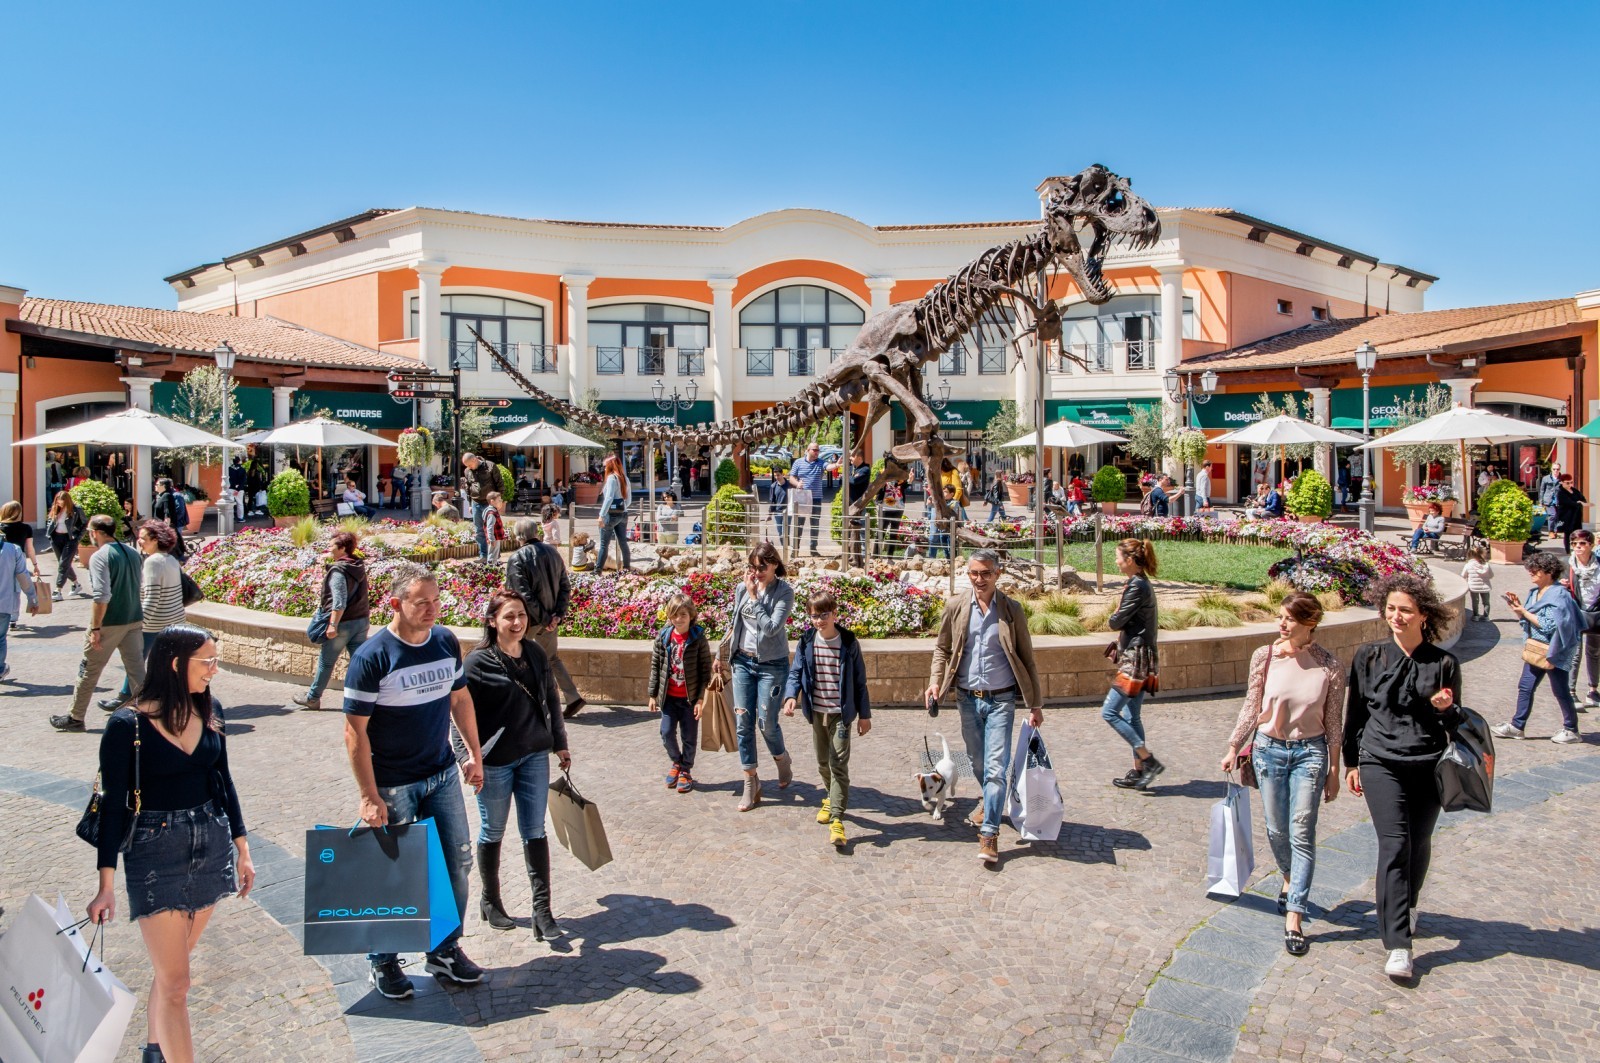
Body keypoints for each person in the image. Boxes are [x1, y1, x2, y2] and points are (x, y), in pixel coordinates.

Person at [86, 625, 253, 1063]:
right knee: (178, 983)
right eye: (207, 661)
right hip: (154, 851)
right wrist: (106, 885)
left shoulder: (211, 709)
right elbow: (113, 808)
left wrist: (242, 847)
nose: (214, 670)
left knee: (171, 971)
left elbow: (224, 781)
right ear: (176, 664)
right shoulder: (126, 726)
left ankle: (154, 1049)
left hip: (210, 844)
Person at [343, 563, 484, 998]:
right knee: (395, 872)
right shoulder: (373, 657)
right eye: (421, 602)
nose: (431, 609)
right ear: (395, 604)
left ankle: (443, 948)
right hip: (392, 783)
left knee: (457, 862)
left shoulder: (444, 642)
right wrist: (369, 795)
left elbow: (460, 699)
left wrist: (473, 754)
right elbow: (354, 732)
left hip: (440, 774)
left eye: (436, 600)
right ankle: (383, 959)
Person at [1343, 572, 1463, 981]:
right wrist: (1351, 762)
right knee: (1394, 845)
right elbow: (1355, 713)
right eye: (1391, 609)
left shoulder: (1444, 663)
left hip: (1429, 765)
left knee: (1419, 842)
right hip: (1381, 762)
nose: (1396, 616)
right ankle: (1398, 944)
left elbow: (1456, 724)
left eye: (1405, 610)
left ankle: (1407, 904)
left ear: (1423, 615)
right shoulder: (1368, 656)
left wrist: (1446, 708)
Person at [1220, 593, 1345, 956]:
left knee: (1302, 831)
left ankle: (1295, 916)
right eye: (1281, 617)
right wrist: (1233, 746)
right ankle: (1289, 878)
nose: (1282, 624)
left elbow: (1334, 723)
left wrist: (1334, 770)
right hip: (1268, 751)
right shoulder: (1265, 656)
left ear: (1310, 623)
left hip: (1310, 754)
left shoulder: (1330, 666)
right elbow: (1252, 704)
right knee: (1277, 829)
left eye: (1289, 618)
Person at [463, 590, 571, 939]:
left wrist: (560, 743)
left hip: (534, 755)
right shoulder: (477, 663)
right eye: (509, 616)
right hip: (495, 763)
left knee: (535, 831)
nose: (517, 622)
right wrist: (468, 758)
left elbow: (551, 699)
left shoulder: (535, 653)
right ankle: (491, 900)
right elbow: (457, 714)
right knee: (492, 830)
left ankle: (542, 911)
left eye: (521, 615)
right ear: (492, 621)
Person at [925, 549, 1041, 865]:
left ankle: (989, 833)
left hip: (1002, 699)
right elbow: (942, 649)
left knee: (995, 768)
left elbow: (1027, 658)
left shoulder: (1012, 610)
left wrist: (1035, 704)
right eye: (974, 573)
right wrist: (935, 682)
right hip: (967, 698)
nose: (979, 579)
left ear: (997, 574)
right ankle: (990, 801)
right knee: (977, 763)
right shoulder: (956, 606)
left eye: (986, 573)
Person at [782, 589, 871, 847]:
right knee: (823, 763)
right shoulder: (807, 641)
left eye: (824, 615)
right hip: (817, 712)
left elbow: (860, 682)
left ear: (834, 614)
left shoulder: (849, 642)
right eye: (814, 616)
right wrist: (791, 696)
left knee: (838, 764)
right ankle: (831, 798)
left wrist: (864, 715)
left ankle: (837, 819)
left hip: (841, 714)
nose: (819, 621)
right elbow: (796, 672)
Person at [715, 541, 795, 812]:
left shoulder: (784, 592)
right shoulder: (742, 588)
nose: (756, 572)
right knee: (743, 722)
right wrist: (720, 655)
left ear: (774, 565)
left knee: (766, 723)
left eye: (762, 567)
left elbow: (772, 628)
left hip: (772, 665)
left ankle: (781, 758)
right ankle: (751, 781)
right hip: (742, 662)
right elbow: (735, 624)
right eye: (752, 567)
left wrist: (753, 598)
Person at [51, 515, 146, 732]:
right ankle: (149, 715)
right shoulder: (132, 552)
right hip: (133, 618)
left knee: (89, 669)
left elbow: (101, 596)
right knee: (137, 670)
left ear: (96, 532)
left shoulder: (100, 556)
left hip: (110, 622)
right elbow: (139, 585)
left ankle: (76, 716)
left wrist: (95, 627)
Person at [1493, 551, 1584, 744]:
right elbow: (1528, 620)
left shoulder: (1559, 595)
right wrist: (1519, 610)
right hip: (1536, 648)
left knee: (1560, 690)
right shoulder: (1534, 593)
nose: (1531, 572)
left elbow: (1549, 625)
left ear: (1549, 572)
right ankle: (1517, 726)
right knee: (1525, 687)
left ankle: (1572, 729)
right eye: (1530, 568)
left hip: (1554, 650)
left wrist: (1524, 612)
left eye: (1535, 569)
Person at [504, 517, 585, 718]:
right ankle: (572, 697)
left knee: (515, 657)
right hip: (549, 617)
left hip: (529, 620)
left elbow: (522, 595)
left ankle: (522, 702)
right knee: (551, 658)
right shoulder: (553, 553)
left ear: (519, 536)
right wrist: (557, 615)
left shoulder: (517, 558)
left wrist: (547, 618)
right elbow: (565, 587)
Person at [1102, 538, 1165, 791]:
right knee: (1132, 715)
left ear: (1129, 560)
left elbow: (1115, 622)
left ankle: (1148, 761)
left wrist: (1113, 614)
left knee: (1109, 712)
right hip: (1143, 653)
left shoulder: (1136, 586)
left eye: (1118, 557)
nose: (1116, 561)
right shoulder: (1140, 582)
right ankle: (1139, 770)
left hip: (1136, 657)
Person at [292, 532, 369, 711]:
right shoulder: (357, 566)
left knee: (326, 663)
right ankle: (372, 697)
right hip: (361, 620)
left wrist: (332, 625)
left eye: (332, 545)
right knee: (361, 662)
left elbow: (339, 602)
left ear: (342, 548)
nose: (329, 547)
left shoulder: (339, 571)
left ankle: (312, 698)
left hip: (343, 624)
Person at [110, 520, 185, 706]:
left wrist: (139, 622)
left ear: (155, 540)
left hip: (154, 623)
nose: (139, 541)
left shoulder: (153, 562)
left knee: (135, 661)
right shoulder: (171, 559)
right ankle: (171, 697)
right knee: (167, 663)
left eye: (143, 538)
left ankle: (128, 696)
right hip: (174, 620)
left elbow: (152, 597)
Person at [648, 592, 712, 795]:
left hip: (689, 699)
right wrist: (652, 694)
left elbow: (705, 670)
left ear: (691, 615)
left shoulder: (697, 637)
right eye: (675, 615)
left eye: (683, 614)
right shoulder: (664, 637)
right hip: (669, 698)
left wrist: (700, 699)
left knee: (689, 737)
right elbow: (656, 666)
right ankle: (677, 761)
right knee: (666, 733)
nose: (679, 619)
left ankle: (686, 770)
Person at [1565, 529, 1600, 708]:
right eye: (1574, 543)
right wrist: (1562, 585)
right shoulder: (1567, 566)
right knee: (1575, 654)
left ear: (1591, 545)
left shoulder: (1599, 564)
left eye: (1582, 543)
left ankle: (1593, 690)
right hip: (1575, 613)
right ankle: (1571, 692)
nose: (1577, 547)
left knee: (1594, 652)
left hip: (1596, 613)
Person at [0, 535, 38, 682]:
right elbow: (23, 576)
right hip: (3, 604)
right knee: (0, 638)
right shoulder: (13, 550)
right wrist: (32, 598)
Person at [787, 442, 827, 555]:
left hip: (816, 498)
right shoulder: (798, 462)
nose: (817, 452)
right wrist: (797, 484)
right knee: (799, 524)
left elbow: (828, 467)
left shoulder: (821, 462)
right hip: (802, 498)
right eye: (814, 450)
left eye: (818, 450)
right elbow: (791, 477)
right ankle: (795, 550)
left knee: (815, 524)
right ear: (808, 450)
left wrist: (836, 465)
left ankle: (813, 549)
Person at [595, 453, 632, 573]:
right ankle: (626, 568)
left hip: (610, 515)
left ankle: (598, 570)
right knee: (623, 542)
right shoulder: (625, 478)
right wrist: (622, 508)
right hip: (623, 514)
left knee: (604, 544)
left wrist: (601, 515)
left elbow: (609, 498)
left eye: (605, 465)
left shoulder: (611, 478)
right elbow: (629, 500)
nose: (604, 468)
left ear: (610, 465)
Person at [460, 453, 501, 561]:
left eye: (470, 465)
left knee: (492, 529)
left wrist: (498, 501)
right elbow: (468, 488)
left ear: (474, 459)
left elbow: (499, 483)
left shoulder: (490, 466)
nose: (468, 467)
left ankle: (494, 555)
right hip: (476, 502)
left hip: (489, 502)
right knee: (479, 530)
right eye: (467, 466)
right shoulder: (467, 471)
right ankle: (483, 555)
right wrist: (470, 504)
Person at [0, 501, 42, 603]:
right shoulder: (26, 528)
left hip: (2, 555)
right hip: (19, 558)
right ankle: (14, 609)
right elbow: (30, 548)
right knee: (16, 586)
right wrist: (35, 565)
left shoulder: (1, 527)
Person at [152, 478, 189, 559]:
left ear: (163, 486)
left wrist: (166, 530)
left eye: (157, 484)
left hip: (166, 528)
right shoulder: (160, 496)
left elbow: (167, 513)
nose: (155, 486)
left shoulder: (167, 495)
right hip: (160, 527)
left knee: (172, 552)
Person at [927, 483, 967, 559]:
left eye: (945, 492)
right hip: (941, 528)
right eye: (943, 491)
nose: (943, 493)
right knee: (941, 543)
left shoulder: (955, 502)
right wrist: (930, 502)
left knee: (949, 544)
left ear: (952, 494)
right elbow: (930, 509)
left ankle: (951, 559)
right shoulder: (941, 501)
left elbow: (948, 509)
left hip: (949, 528)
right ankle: (940, 558)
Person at [1553, 473, 1587, 552]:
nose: (1570, 484)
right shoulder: (1560, 492)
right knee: (1567, 533)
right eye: (1567, 483)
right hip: (1566, 516)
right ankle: (1567, 550)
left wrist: (1580, 502)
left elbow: (1583, 499)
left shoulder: (1575, 490)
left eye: (1571, 482)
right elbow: (1568, 502)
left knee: (1578, 533)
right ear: (1562, 482)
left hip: (1576, 515)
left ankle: (1577, 549)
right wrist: (1578, 503)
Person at [1461, 545, 1494, 622]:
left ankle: (1475, 616)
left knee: (1475, 602)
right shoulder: (1486, 565)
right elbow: (1491, 575)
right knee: (1486, 602)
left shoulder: (1468, 565)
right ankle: (1486, 616)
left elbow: (1463, 575)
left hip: (1473, 587)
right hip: (1485, 586)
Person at [879, 479, 905, 557]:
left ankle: (890, 557)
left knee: (894, 533)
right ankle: (876, 555)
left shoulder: (900, 477)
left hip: (898, 508)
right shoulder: (883, 474)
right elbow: (878, 489)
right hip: (885, 508)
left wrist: (909, 480)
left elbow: (904, 486)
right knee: (881, 532)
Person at [483, 491, 509, 562]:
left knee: (495, 554)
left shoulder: (493, 511)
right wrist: (492, 539)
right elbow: (490, 528)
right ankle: (491, 567)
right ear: (492, 501)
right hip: (494, 538)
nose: (501, 502)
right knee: (492, 555)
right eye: (499, 500)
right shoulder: (491, 513)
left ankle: (493, 566)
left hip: (496, 537)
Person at [228, 457, 248, 522]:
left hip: (231, 488)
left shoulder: (229, 469)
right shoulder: (242, 469)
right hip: (240, 489)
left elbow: (228, 479)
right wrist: (238, 489)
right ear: (239, 461)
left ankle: (231, 517)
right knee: (240, 503)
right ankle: (240, 517)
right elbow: (243, 480)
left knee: (230, 504)